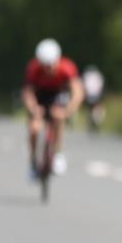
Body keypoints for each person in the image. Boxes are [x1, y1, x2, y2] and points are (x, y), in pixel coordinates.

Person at [22, 38, 84, 178]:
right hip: (40, 97)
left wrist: (69, 110)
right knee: (34, 129)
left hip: (58, 96)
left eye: (51, 64)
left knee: (58, 117)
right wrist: (34, 109)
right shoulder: (34, 69)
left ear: (58, 59)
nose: (49, 68)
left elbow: (77, 91)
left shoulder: (67, 68)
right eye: (45, 65)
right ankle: (33, 161)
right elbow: (28, 93)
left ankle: (58, 153)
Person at [81, 65, 106, 133]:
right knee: (97, 108)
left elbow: (83, 85)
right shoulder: (98, 75)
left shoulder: (86, 75)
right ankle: (96, 120)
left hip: (89, 94)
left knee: (90, 109)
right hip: (97, 94)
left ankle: (92, 121)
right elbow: (101, 85)